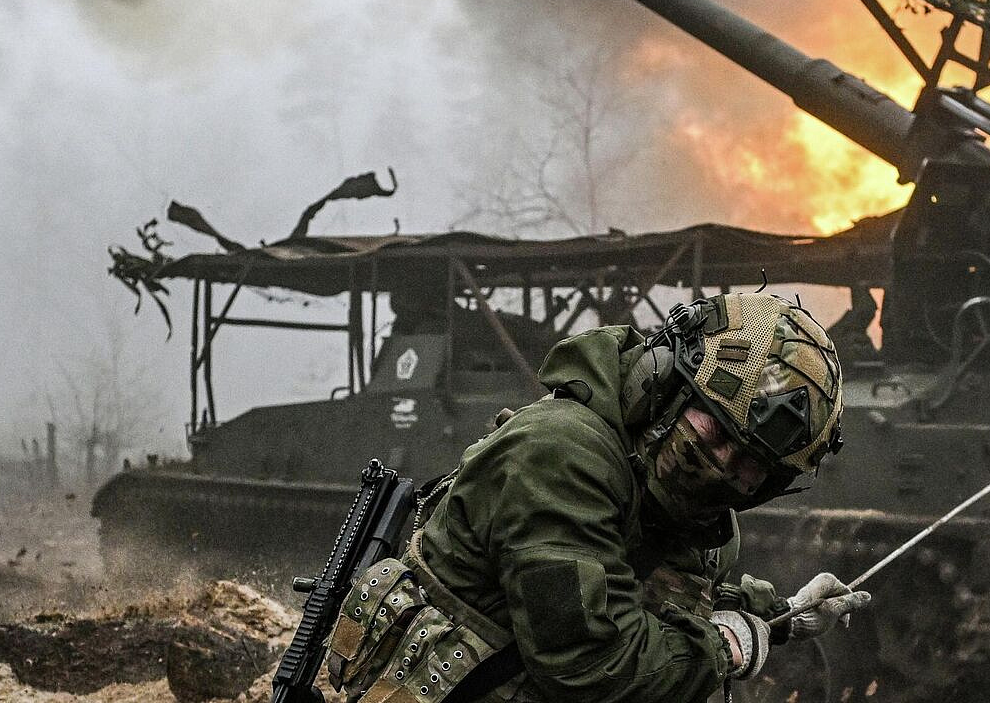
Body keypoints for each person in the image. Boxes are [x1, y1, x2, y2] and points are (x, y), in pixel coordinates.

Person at [326, 291, 870, 703]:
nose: (721, 464)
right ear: (665, 381)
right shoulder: (560, 455)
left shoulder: (664, 488)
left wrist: (782, 616)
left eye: (751, 463)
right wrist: (725, 648)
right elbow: (591, 664)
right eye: (715, 429)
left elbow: (651, 588)